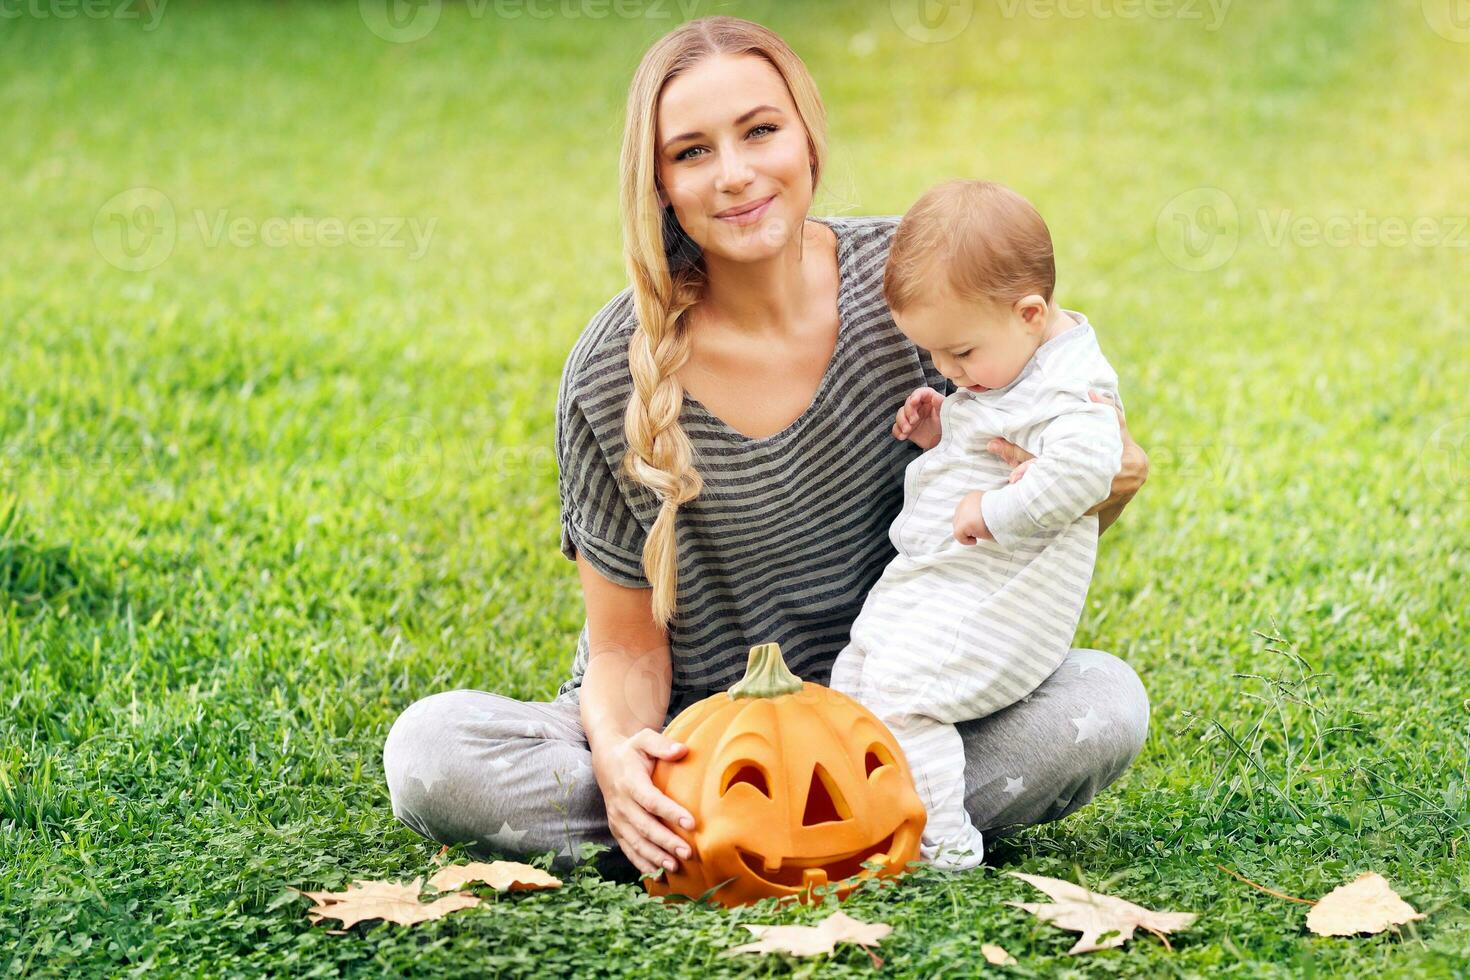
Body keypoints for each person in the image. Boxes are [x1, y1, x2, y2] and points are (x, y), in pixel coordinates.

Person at [383, 15, 1150, 883]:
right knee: (431, 753)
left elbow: (1024, 498)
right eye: (693, 152)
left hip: (890, 713)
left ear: (807, 137)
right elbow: (627, 650)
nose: (737, 174)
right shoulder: (608, 373)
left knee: (1102, 701)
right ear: (661, 183)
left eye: (760, 130)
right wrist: (619, 762)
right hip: (695, 741)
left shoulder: (916, 296)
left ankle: (771, 834)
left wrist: (1108, 483)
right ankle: (786, 826)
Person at [829, 179, 1127, 871]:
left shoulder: (1073, 391)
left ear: (1030, 314)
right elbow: (995, 448)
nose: (948, 370)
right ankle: (852, 812)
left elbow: (1084, 472)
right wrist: (945, 432)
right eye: (935, 355)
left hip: (997, 601)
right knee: (858, 673)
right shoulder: (1006, 366)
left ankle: (942, 848)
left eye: (960, 355)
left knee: (904, 699)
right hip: (934, 583)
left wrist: (989, 514)